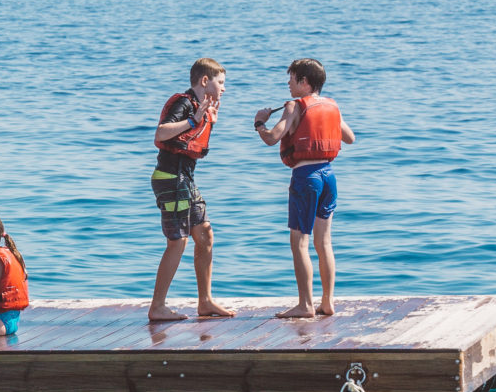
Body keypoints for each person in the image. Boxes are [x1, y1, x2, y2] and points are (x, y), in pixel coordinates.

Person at [254, 58, 358, 318]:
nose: (288, 83)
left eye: (292, 79)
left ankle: (305, 305)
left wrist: (260, 122)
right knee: (324, 242)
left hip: (306, 177)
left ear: (304, 82)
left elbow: (271, 138)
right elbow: (350, 138)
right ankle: (327, 301)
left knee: (299, 243)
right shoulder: (332, 106)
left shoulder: (293, 107)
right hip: (328, 176)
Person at [147, 57, 236, 322]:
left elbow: (192, 145)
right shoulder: (184, 103)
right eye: (221, 82)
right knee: (178, 241)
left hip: (184, 179)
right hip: (170, 178)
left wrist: (208, 123)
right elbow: (161, 133)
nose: (224, 88)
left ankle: (205, 301)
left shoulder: (201, 108)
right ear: (205, 81)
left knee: (205, 235)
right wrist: (194, 121)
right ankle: (158, 306)